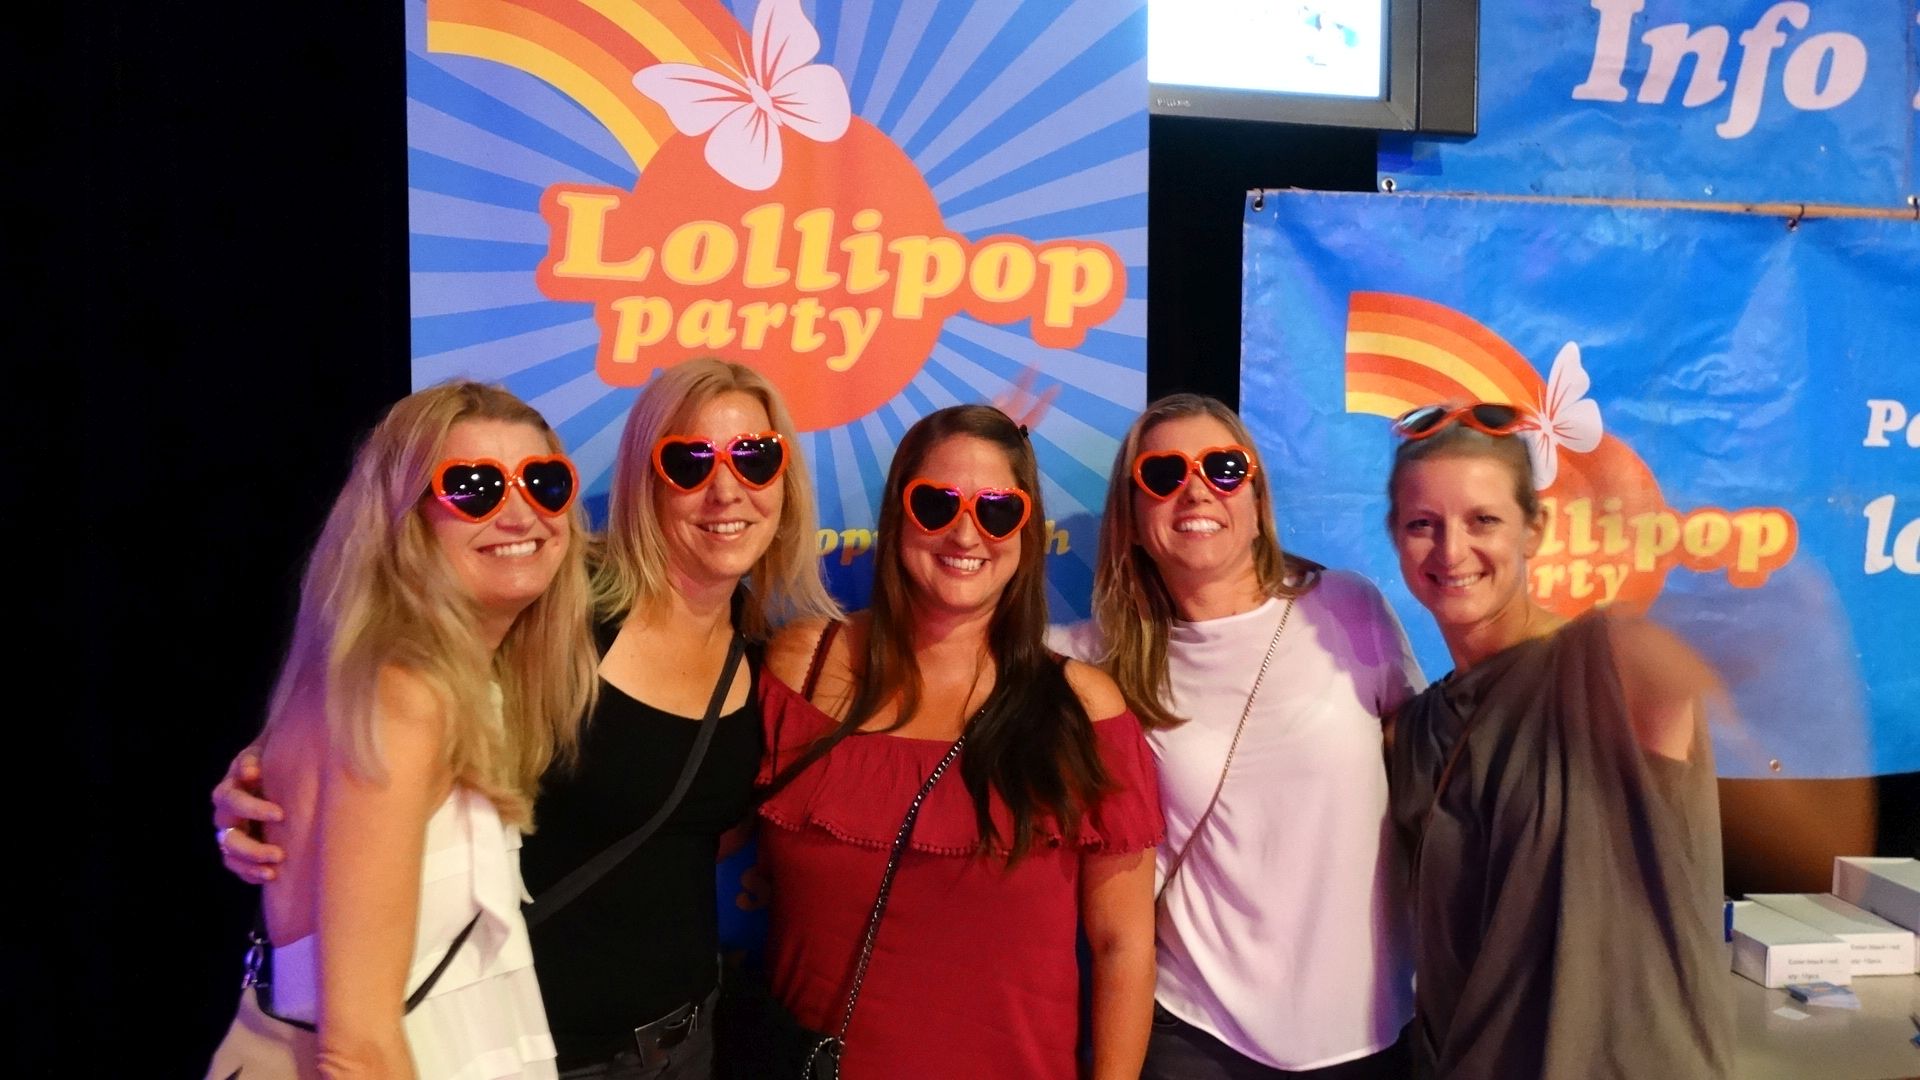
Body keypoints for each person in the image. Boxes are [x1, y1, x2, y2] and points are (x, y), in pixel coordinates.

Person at [214, 359, 842, 1079]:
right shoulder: (554, 603)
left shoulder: (758, 658)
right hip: (513, 1045)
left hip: (680, 1039)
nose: (726, 488)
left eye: (755, 457)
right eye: (690, 461)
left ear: (785, 482)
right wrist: (262, 782)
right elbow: (373, 703)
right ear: (647, 479)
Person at [755, 404, 1163, 1079]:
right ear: (898, 514)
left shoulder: (1084, 710)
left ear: (1026, 530)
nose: (967, 532)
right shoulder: (801, 666)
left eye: (997, 510)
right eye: (936, 504)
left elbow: (1123, 946)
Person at [205, 380, 597, 1079]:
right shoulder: (403, 695)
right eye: (474, 488)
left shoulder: (435, 681)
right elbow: (355, 1047)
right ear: (403, 520)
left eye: (544, 481)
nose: (520, 513)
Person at [1052, 393, 1420, 1079]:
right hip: (1195, 1035)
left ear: (1256, 500)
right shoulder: (1097, 659)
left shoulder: (1348, 608)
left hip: (1367, 1033)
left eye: (1223, 467)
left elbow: (1429, 787)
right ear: (1132, 520)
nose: (1196, 489)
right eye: (1164, 474)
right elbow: (961, 656)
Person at [1380, 402, 1732, 1079]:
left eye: (1483, 520)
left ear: (1535, 529)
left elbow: (1748, 641)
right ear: (1396, 537)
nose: (1451, 551)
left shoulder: (1605, 666)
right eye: (1423, 524)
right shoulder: (1414, 732)